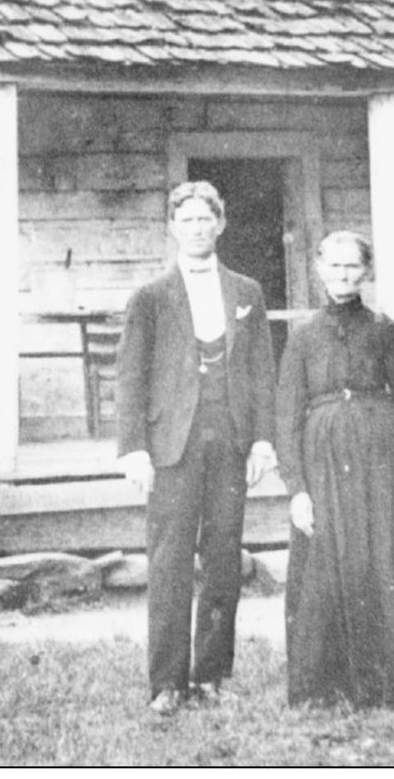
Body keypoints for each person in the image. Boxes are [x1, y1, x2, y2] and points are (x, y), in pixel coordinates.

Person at [276, 230, 394, 709]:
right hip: (323, 464)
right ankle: (328, 685)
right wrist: (297, 488)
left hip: (384, 460)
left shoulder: (384, 330)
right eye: (334, 266)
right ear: (319, 269)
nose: (342, 274)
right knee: (328, 560)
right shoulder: (302, 338)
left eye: (352, 266)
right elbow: (286, 418)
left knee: (389, 559)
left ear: (366, 272)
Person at [115, 181, 277, 715]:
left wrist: (261, 440)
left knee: (225, 558)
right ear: (172, 227)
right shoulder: (151, 297)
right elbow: (131, 378)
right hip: (171, 445)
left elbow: (260, 373)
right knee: (169, 561)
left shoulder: (248, 292)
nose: (197, 228)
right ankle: (167, 682)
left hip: (229, 439)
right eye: (186, 220)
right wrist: (134, 450)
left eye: (206, 218)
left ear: (221, 223)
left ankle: (211, 675)